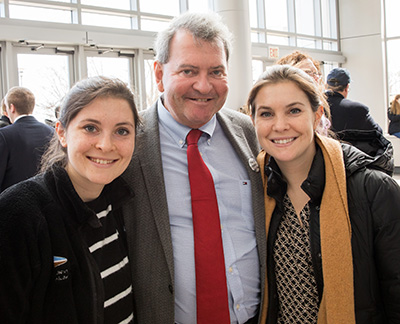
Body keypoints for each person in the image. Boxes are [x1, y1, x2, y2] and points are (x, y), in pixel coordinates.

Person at [122, 11, 266, 324]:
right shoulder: (129, 143)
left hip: (256, 316)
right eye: (188, 70)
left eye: (216, 71)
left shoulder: (248, 133)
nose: (204, 86)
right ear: (159, 73)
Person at [247, 64, 400, 323]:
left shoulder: (374, 190)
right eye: (266, 114)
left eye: (294, 110)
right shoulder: (254, 189)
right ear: (253, 121)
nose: (280, 125)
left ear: (317, 115)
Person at [0, 76, 140, 323]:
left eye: (121, 131)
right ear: (62, 133)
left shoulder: (120, 203)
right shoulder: (18, 214)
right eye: (90, 128)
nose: (106, 145)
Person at [0, 86, 54, 192]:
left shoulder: (4, 135)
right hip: (48, 200)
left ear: (12, 108)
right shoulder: (52, 132)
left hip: (13, 202)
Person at [275, 50, 331, 135]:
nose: (315, 78)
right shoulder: (278, 108)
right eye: (308, 73)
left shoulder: (318, 106)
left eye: (316, 73)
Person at [325, 67, 383, 133]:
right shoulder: (357, 109)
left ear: (326, 86)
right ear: (347, 87)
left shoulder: (315, 106)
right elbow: (378, 132)